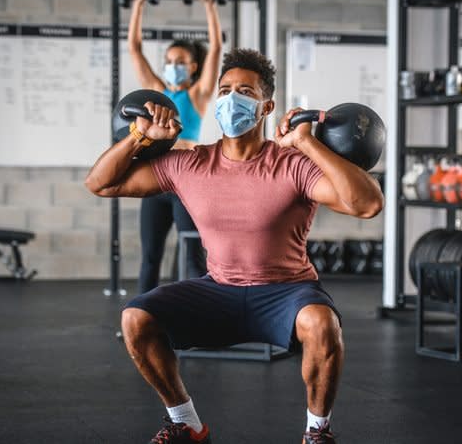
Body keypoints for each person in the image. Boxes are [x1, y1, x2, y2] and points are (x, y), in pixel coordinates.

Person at [85, 48, 384, 443]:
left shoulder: (291, 164)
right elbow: (100, 183)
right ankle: (187, 423)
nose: (231, 98)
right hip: (219, 289)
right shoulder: (189, 163)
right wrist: (140, 136)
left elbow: (368, 204)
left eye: (245, 91)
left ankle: (317, 432)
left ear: (266, 107)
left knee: (322, 323)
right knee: (135, 319)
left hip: (287, 292)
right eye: (225, 90)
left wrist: (309, 144)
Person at [128, 0, 222, 293]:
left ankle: (192, 322)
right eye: (168, 61)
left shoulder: (197, 95)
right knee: (150, 258)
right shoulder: (157, 92)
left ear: (193, 66)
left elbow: (217, 47)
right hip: (154, 182)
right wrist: (139, 3)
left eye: (179, 61)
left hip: (185, 184)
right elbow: (134, 48)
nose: (172, 66)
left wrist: (209, 3)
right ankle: (142, 320)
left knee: (191, 258)